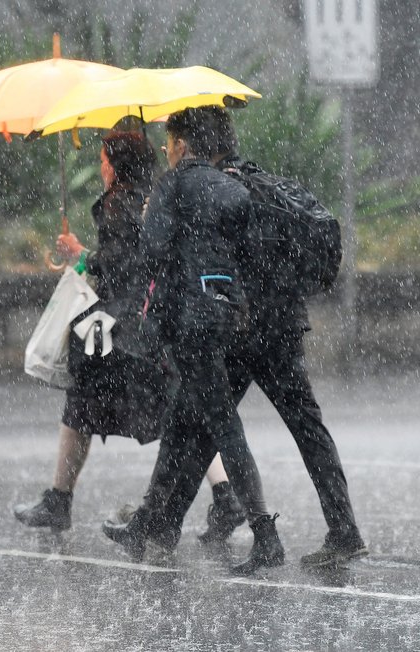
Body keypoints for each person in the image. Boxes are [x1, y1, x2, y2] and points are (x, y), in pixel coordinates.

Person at [140, 106, 369, 568]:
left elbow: (189, 257)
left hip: (241, 331)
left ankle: (166, 527)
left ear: (192, 144)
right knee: (306, 428)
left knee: (205, 424)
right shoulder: (260, 182)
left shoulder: (212, 188)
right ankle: (343, 529)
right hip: (282, 327)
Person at [101, 107, 284, 577]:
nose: (165, 150)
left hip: (190, 322)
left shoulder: (171, 185)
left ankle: (266, 535)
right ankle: (150, 525)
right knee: (181, 423)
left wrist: (149, 220)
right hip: (227, 314)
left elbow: (154, 253)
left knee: (224, 428)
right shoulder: (231, 188)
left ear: (182, 145)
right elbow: (249, 253)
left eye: (169, 142)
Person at [12, 129, 158, 531]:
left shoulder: (118, 203)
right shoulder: (155, 199)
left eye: (103, 159)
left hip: (114, 324)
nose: (101, 166)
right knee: (177, 410)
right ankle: (225, 496)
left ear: (117, 165)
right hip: (149, 320)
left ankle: (59, 501)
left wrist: (82, 255)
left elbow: (118, 263)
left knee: (80, 404)